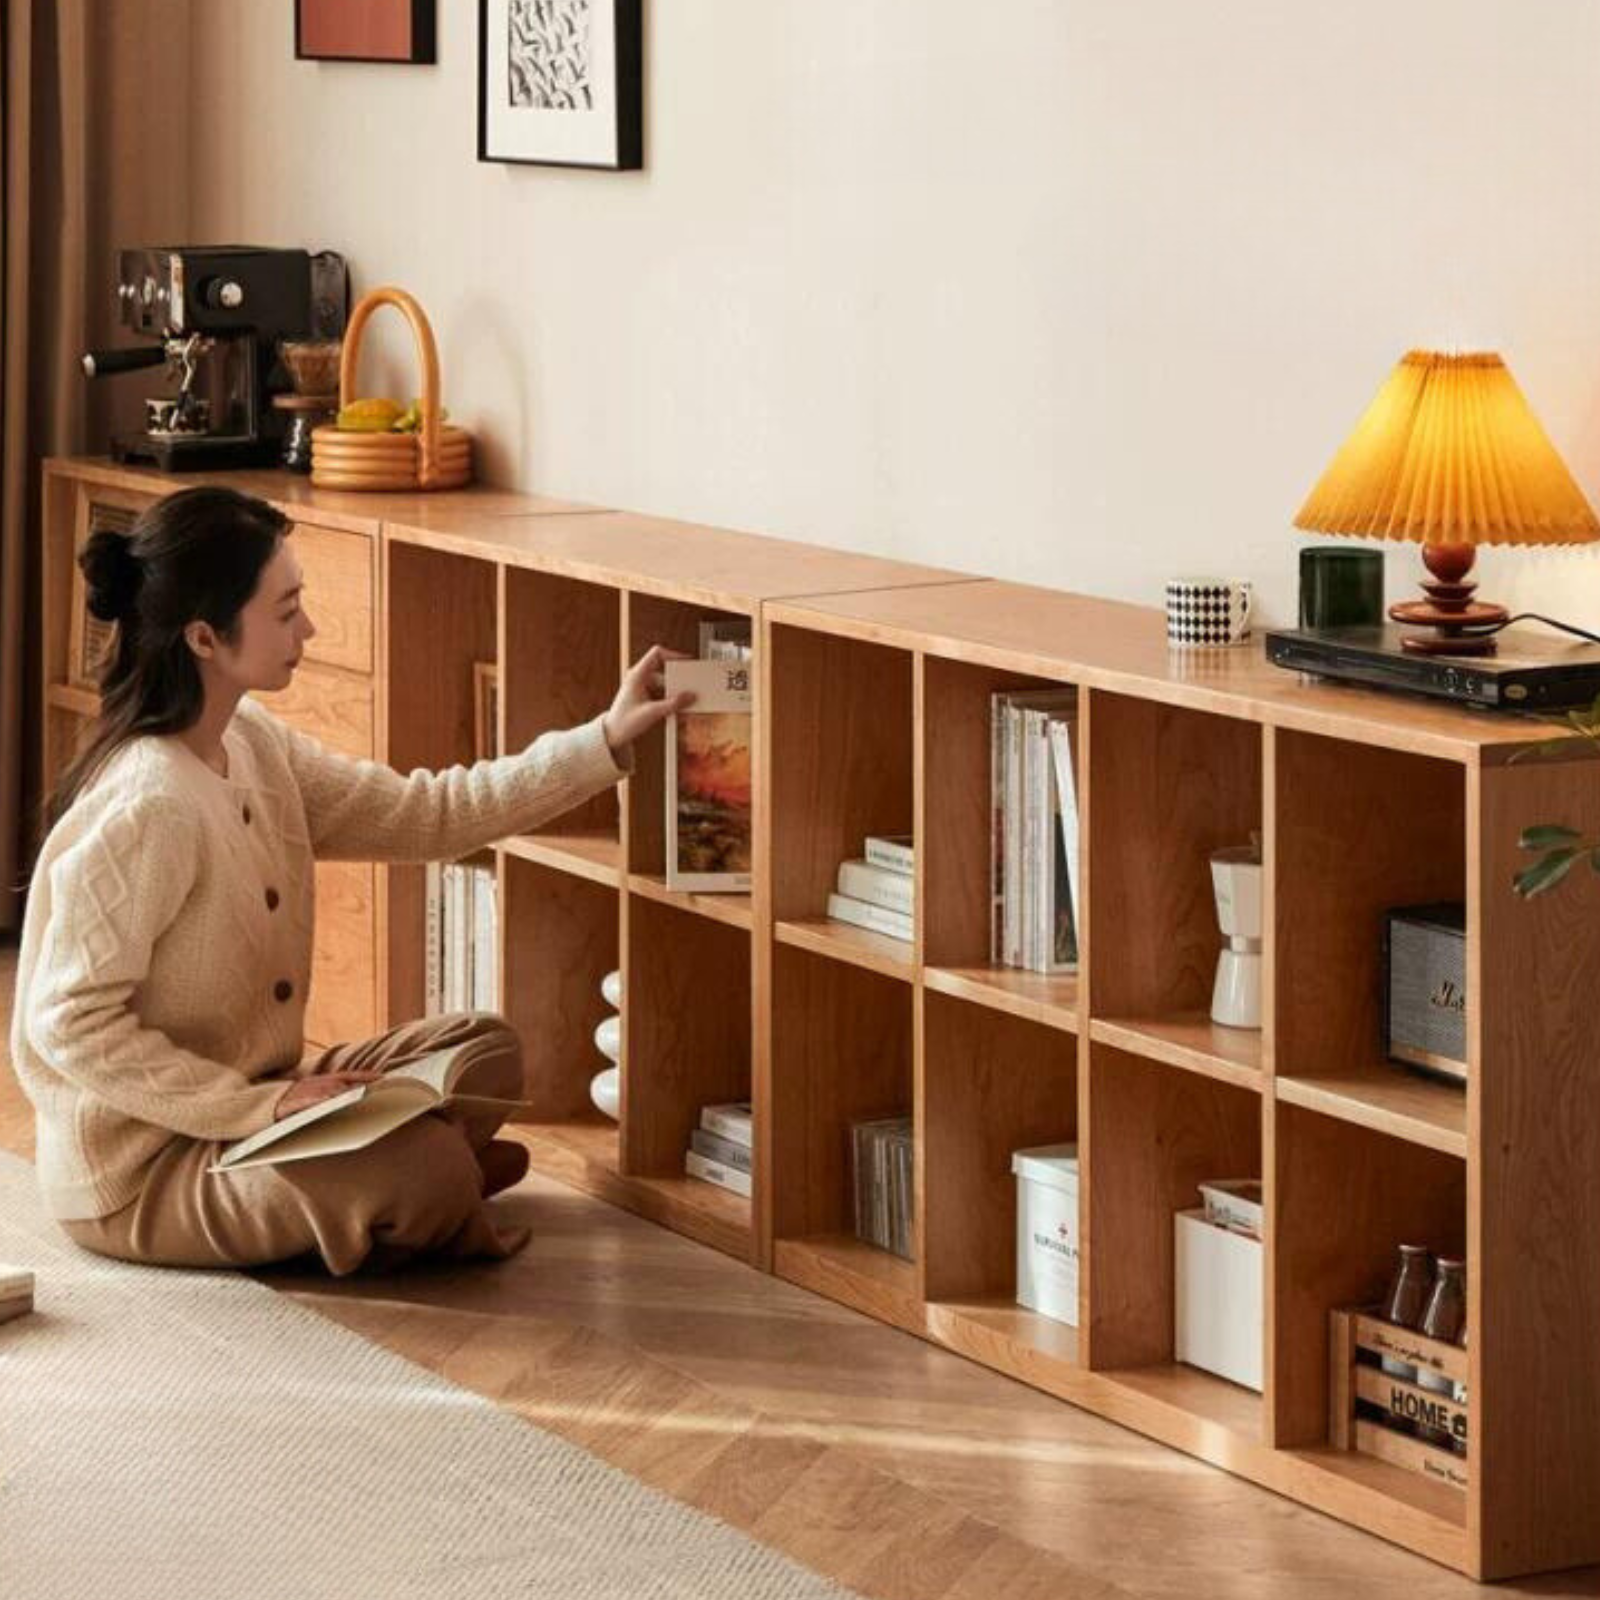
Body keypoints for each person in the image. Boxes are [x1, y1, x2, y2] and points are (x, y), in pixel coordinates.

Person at [10, 485, 692, 1275]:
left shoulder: (254, 742)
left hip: (260, 1105)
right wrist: (259, 1108)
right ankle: (424, 1180)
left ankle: (400, 1182)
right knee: (421, 1167)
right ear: (205, 635)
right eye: (287, 609)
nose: (310, 628)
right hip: (150, 1172)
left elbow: (426, 814)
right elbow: (69, 1025)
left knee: (485, 1050)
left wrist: (601, 741)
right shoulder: (148, 805)